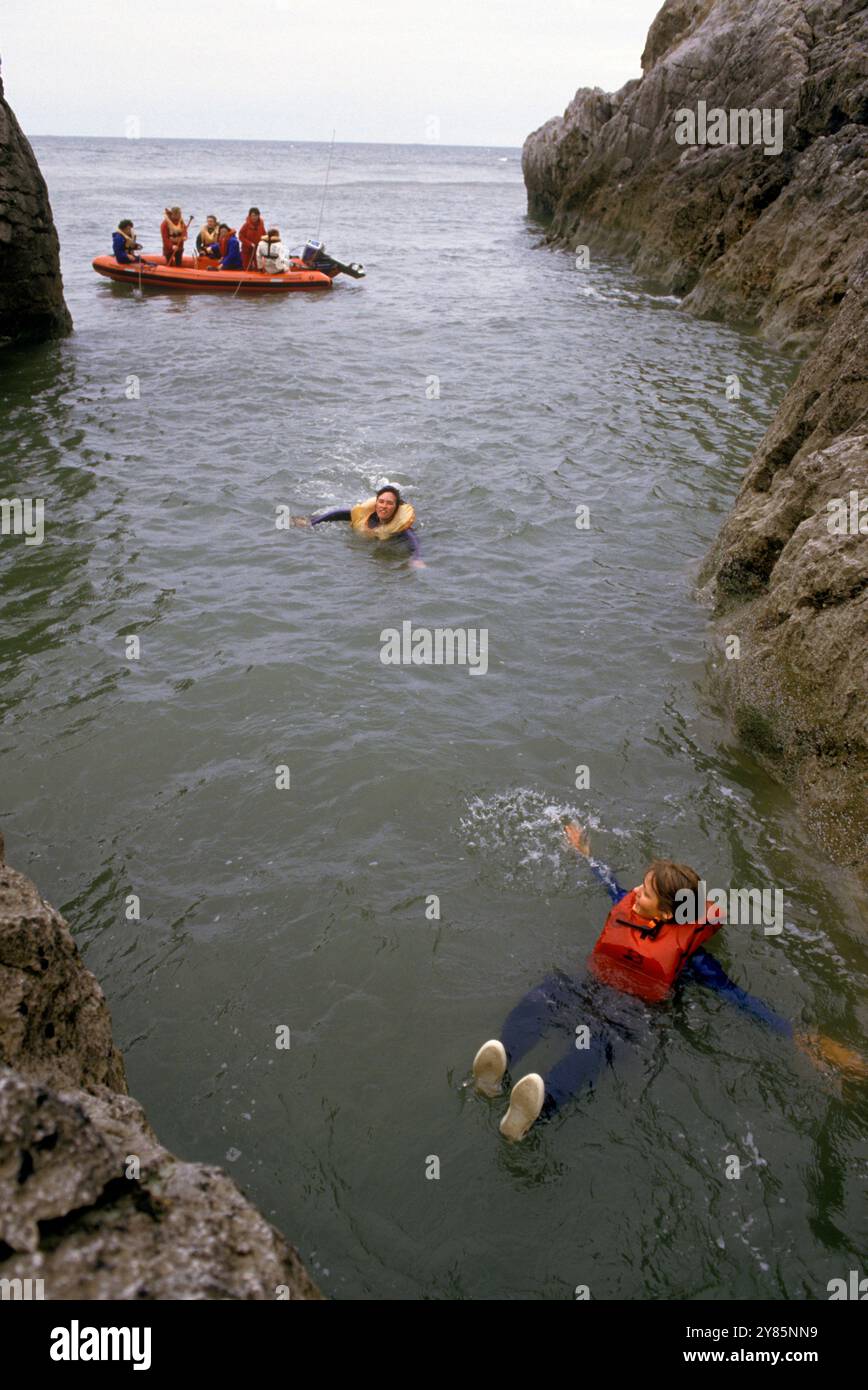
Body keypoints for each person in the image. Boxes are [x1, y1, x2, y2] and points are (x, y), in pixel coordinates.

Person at [471, 822, 867, 1141]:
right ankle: (500, 1067)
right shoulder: (632, 908)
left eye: (644, 893)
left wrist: (801, 1038)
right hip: (592, 991)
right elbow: (610, 883)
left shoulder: (693, 960)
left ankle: (538, 1111)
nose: (635, 894)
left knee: (594, 1047)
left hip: (629, 1018)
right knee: (549, 991)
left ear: (663, 915)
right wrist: (586, 855)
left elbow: (741, 998)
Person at [295, 485, 424, 567]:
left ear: (396, 508)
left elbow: (414, 542)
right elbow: (337, 514)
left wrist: (416, 559)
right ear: (376, 503)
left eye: (389, 503)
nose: (384, 506)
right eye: (381, 502)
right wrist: (311, 523)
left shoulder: (401, 528)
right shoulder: (365, 517)